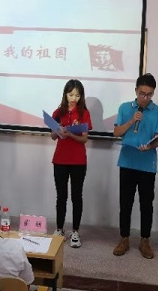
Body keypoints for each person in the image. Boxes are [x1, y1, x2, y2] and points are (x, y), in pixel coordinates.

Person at [112, 73, 158, 259]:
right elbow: (116, 132)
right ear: (136, 91)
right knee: (125, 203)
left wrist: (150, 146)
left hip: (147, 165)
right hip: (127, 162)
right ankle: (124, 239)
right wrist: (131, 121)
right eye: (142, 93)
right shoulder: (125, 108)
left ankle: (145, 240)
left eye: (149, 94)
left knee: (146, 204)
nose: (145, 98)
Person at [50, 79, 92, 248]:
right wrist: (58, 130)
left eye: (77, 95)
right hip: (60, 159)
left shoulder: (84, 113)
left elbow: (84, 139)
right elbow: (53, 136)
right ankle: (59, 229)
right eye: (71, 94)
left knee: (76, 196)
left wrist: (71, 135)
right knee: (61, 196)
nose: (74, 98)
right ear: (65, 94)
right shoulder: (58, 112)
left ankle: (75, 231)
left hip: (78, 160)